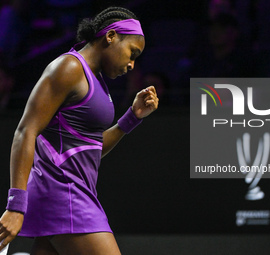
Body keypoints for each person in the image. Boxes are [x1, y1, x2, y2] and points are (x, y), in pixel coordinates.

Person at [0, 6, 158, 255]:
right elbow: (25, 131)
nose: (131, 64)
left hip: (75, 193)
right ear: (111, 36)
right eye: (132, 53)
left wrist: (132, 118)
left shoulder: (98, 81)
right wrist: (16, 205)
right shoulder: (69, 68)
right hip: (64, 194)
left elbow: (90, 148)